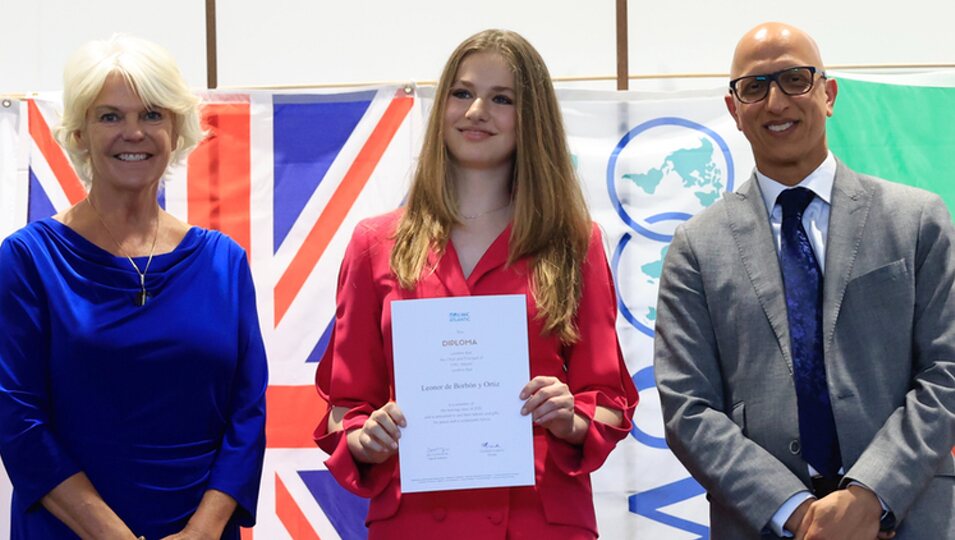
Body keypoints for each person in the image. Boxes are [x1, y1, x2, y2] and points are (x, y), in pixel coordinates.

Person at [314, 29, 637, 539]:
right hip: (416, 521)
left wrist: (567, 414)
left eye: (502, 98)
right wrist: (364, 436)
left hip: (540, 519)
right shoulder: (374, 243)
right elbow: (344, 406)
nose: (476, 110)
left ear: (532, 119)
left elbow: (609, 400)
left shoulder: (575, 241)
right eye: (462, 93)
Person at [653, 21, 955, 539]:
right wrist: (796, 512)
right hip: (764, 524)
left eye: (795, 79)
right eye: (754, 87)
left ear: (828, 93)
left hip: (909, 515)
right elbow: (689, 408)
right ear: (734, 110)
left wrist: (869, 497)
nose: (776, 102)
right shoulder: (696, 249)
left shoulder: (917, 220)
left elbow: (945, 371)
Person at [0, 35, 267, 539]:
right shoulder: (27, 259)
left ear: (176, 130)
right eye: (109, 117)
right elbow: (18, 420)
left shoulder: (224, 262)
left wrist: (203, 532)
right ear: (78, 133)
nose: (133, 133)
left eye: (151, 115)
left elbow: (247, 415)